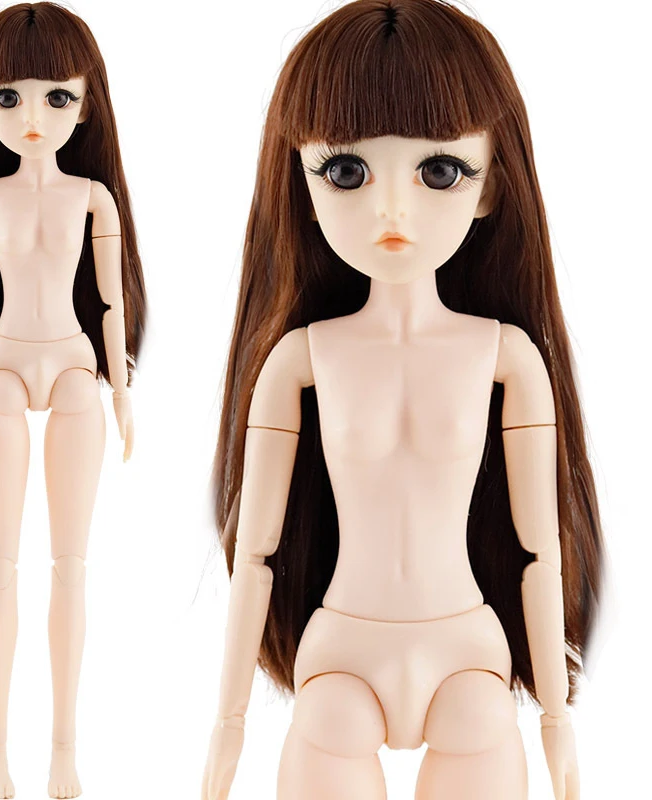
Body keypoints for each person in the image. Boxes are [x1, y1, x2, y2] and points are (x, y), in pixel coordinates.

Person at [204, 1, 603, 798]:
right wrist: (229, 722)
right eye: (347, 172)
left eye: (440, 171)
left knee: (479, 726)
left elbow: (540, 551)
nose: (391, 211)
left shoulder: (508, 358)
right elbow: (255, 555)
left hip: (468, 656)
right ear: (302, 184)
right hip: (340, 659)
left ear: (490, 189)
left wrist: (557, 722)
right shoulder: (301, 360)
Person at [0, 4, 145, 797]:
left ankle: (63, 747)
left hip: (77, 367)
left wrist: (122, 394)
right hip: (5, 365)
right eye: (7, 97)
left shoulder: (95, 199)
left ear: (86, 106)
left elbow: (113, 304)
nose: (32, 115)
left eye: (57, 96)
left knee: (71, 567)